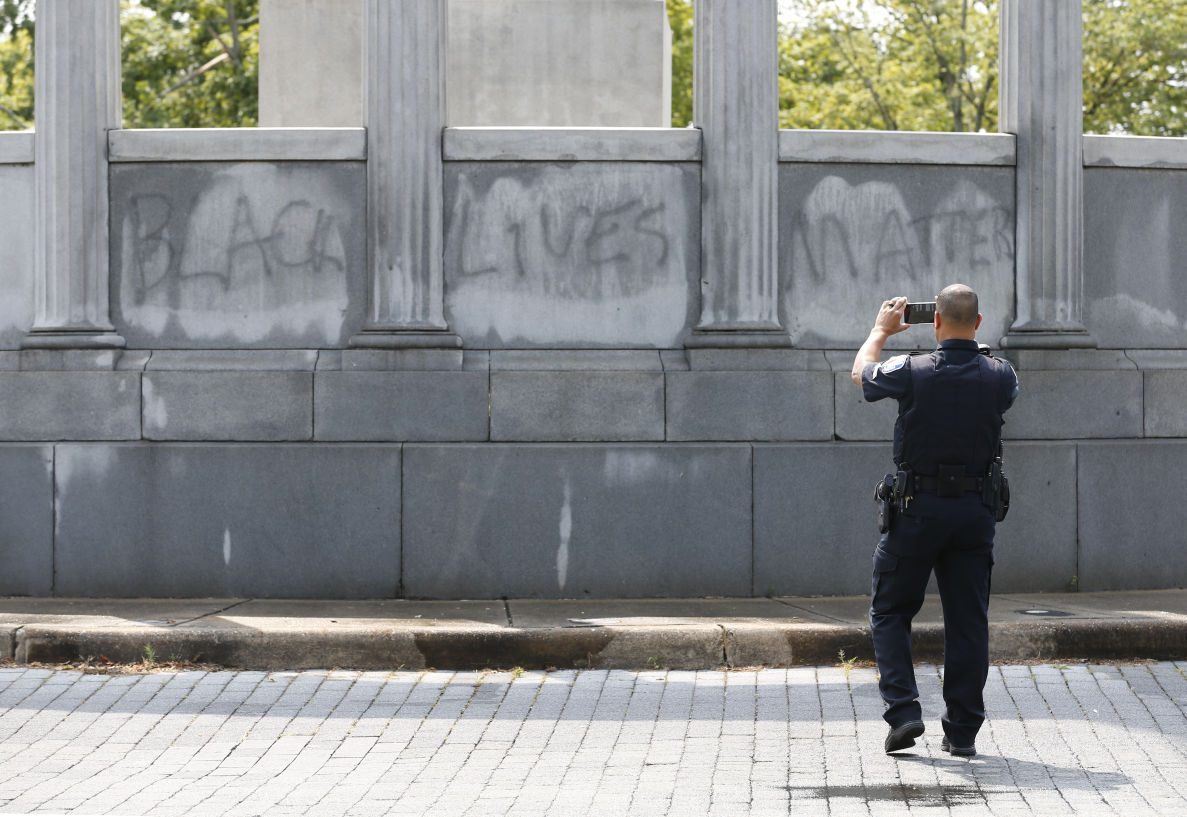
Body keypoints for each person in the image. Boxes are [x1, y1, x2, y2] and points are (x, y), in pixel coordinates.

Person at [850, 285, 1018, 757]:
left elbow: (861, 375)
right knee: (968, 622)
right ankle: (962, 732)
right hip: (974, 514)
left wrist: (880, 331)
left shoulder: (912, 370)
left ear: (935, 321)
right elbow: (996, 392)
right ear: (979, 322)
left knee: (889, 610)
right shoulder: (1001, 375)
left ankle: (904, 712)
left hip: (917, 511)